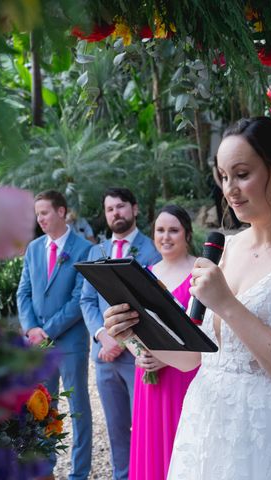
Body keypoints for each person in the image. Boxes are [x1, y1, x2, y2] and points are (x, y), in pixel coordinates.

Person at [103, 117, 271, 479]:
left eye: (242, 174)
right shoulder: (225, 248)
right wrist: (133, 332)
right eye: (223, 177)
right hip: (209, 431)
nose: (230, 189)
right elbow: (194, 357)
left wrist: (226, 303)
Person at [80, 187, 161, 480]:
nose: (116, 213)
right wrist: (103, 335)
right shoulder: (94, 251)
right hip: (104, 355)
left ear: (135, 209)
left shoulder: (152, 250)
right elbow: (86, 300)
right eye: (110, 209)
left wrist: (126, 341)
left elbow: (154, 304)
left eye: (121, 207)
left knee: (144, 427)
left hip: (138, 357)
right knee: (114, 428)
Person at [17, 190, 93, 480]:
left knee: (78, 409)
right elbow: (23, 292)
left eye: (45, 213)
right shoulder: (34, 248)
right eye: (37, 215)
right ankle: (45, 469)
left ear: (62, 212)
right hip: (39, 345)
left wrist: (47, 330)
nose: (40, 219)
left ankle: (80, 472)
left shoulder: (84, 249)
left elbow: (78, 299)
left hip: (71, 343)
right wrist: (31, 329)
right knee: (43, 407)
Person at [127, 205, 199, 480]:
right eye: (160, 230)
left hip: (185, 377)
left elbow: (209, 332)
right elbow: (131, 326)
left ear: (187, 234)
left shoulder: (200, 272)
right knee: (151, 448)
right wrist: (137, 353)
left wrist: (167, 356)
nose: (166, 237)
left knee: (182, 447)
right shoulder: (143, 274)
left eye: (173, 230)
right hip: (148, 379)